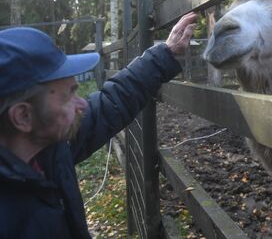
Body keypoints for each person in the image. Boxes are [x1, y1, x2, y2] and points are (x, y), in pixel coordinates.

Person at [0, 12, 197, 239]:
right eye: (68, 95)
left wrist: (164, 54)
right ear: (23, 116)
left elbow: (107, 106)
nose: (82, 102)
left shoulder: (46, 147)